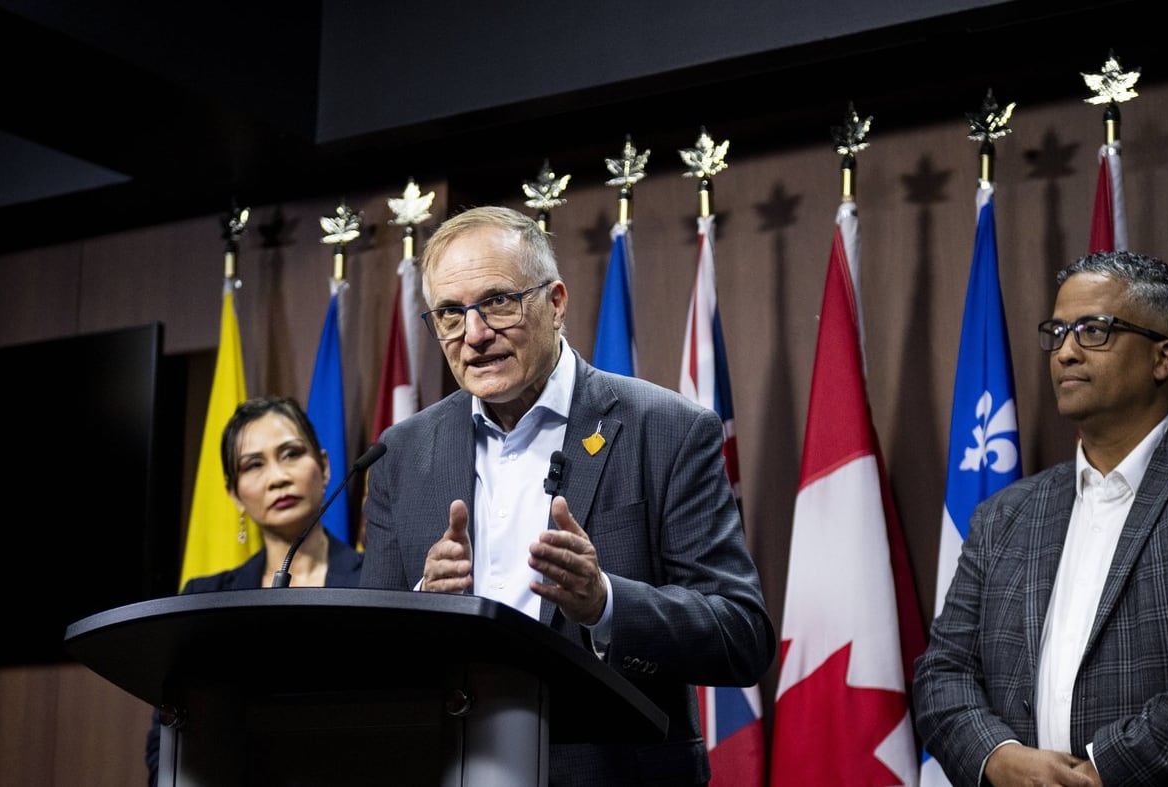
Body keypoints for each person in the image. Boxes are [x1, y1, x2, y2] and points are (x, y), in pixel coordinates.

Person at [358, 205, 775, 786]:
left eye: (498, 302)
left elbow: (740, 635)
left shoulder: (667, 429)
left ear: (556, 303)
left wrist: (604, 603)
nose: (474, 335)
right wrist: (425, 601)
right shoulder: (400, 453)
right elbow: (369, 657)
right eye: (451, 313)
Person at [913, 250, 1168, 787]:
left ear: (1165, 357)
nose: (1066, 352)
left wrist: (1106, 767)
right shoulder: (1004, 515)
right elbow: (943, 673)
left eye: (1094, 331)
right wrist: (998, 757)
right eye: (1057, 333)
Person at [144, 395, 362, 786]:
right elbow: (168, 740)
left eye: (291, 454)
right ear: (234, 494)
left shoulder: (377, 581)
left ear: (325, 466)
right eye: (254, 465)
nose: (277, 477)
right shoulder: (203, 601)